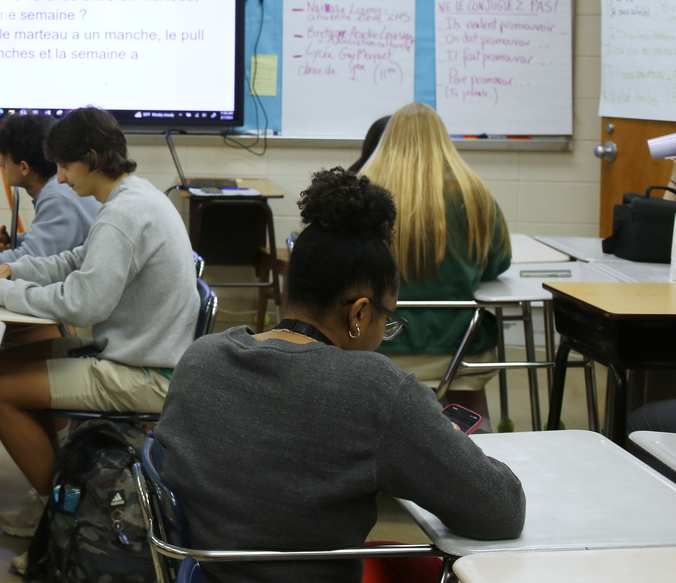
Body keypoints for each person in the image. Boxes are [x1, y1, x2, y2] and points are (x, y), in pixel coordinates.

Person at [155, 167, 525, 583]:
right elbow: (501, 511)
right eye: (387, 321)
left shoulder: (200, 358)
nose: (383, 336)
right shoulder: (374, 391)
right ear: (360, 313)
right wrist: (442, 443)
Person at [0, 106, 201, 538]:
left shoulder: (123, 213)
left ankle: (62, 515)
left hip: (144, 371)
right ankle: (55, 491)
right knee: (10, 361)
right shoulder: (134, 195)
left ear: (93, 158)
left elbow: (83, 304)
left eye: (65, 166)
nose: (60, 178)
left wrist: (1, 291)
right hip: (139, 349)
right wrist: (13, 271)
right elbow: (76, 262)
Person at [359, 103, 512, 415]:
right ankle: (476, 451)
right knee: (470, 421)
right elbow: (498, 264)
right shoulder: (474, 193)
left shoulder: (362, 191)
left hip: (378, 342)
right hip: (460, 346)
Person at [0, 113, 100, 266]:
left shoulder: (57, 197)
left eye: (4, 157)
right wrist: (16, 242)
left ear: (24, 167)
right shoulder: (61, 189)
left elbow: (30, 262)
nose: (0, 164)